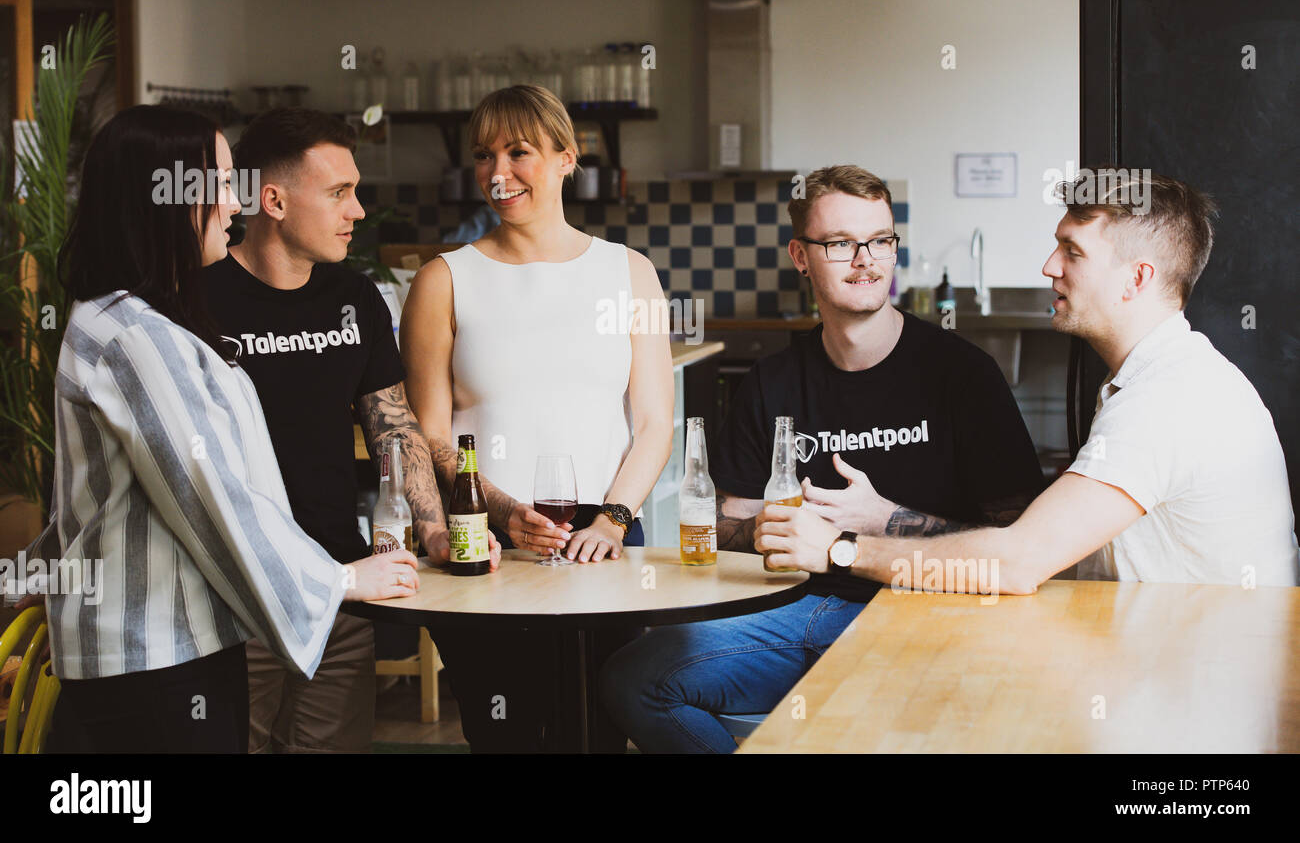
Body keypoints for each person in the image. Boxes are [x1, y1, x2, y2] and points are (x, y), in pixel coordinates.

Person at [598, 164, 1046, 753]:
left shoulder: (961, 375)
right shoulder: (772, 381)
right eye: (840, 244)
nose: (866, 259)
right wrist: (763, 529)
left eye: (880, 240)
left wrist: (879, 520)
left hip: (926, 611)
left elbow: (1019, 543)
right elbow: (727, 520)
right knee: (632, 680)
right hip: (794, 609)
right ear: (800, 256)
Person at [23, 105, 418, 754]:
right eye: (221, 184)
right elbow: (210, 495)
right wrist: (341, 580)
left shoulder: (130, 318)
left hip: (168, 656)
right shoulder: (136, 337)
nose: (235, 204)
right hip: (155, 663)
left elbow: (97, 498)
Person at [763, 170, 1298, 593]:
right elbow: (1044, 549)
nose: (1048, 266)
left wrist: (841, 549)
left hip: (1207, 689)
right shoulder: (1155, 379)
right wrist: (889, 520)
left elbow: (1017, 564)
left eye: (1073, 252)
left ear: (1137, 279)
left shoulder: (1170, 400)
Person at [202, 106, 501, 753]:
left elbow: (394, 428)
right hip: (233, 594)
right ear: (272, 200)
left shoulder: (355, 299)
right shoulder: (196, 302)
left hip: (341, 583)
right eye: (339, 193)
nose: (358, 211)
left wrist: (430, 527)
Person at [401, 84, 674, 751]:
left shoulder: (629, 274)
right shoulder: (443, 279)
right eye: (485, 156)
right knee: (508, 734)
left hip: (602, 540)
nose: (498, 174)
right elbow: (427, 434)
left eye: (518, 152)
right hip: (487, 543)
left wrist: (612, 522)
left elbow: (653, 424)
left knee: (601, 730)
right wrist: (500, 511)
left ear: (564, 158)